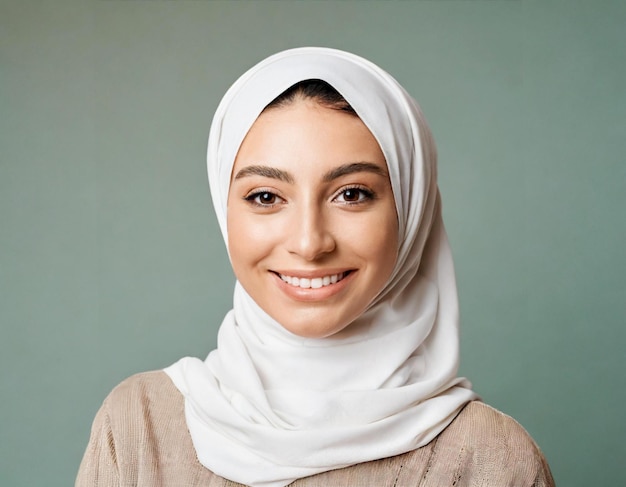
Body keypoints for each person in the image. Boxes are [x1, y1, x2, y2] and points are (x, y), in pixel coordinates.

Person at [76, 47, 554, 487]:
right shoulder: (139, 427)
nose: (309, 243)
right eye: (265, 197)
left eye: (352, 194)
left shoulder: (492, 460)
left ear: (410, 210)